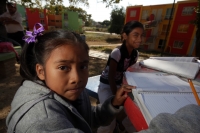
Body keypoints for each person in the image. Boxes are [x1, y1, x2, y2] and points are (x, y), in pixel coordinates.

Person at [6, 23, 135, 133]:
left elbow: (87, 118)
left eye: (83, 66)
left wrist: (113, 103)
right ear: (41, 71)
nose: (76, 78)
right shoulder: (42, 120)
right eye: (63, 67)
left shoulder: (70, 90)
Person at [97, 20, 145, 133]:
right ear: (125, 35)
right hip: (107, 85)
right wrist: (115, 97)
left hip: (120, 85)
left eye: (141, 35)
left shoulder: (135, 54)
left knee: (135, 110)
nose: (140, 39)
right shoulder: (117, 53)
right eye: (135, 35)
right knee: (109, 118)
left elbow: (129, 74)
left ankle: (122, 126)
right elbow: (111, 77)